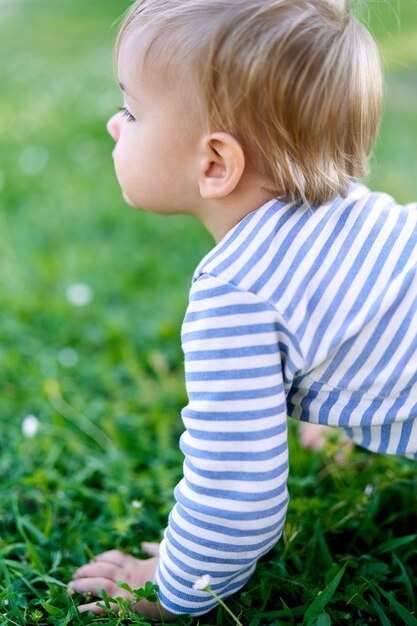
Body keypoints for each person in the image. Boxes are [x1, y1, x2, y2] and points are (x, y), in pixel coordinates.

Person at [68, 0, 417, 619]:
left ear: (215, 164)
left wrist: (170, 591)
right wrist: (342, 409)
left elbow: (236, 495)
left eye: (131, 110)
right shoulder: (355, 221)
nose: (112, 126)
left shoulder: (236, 294)